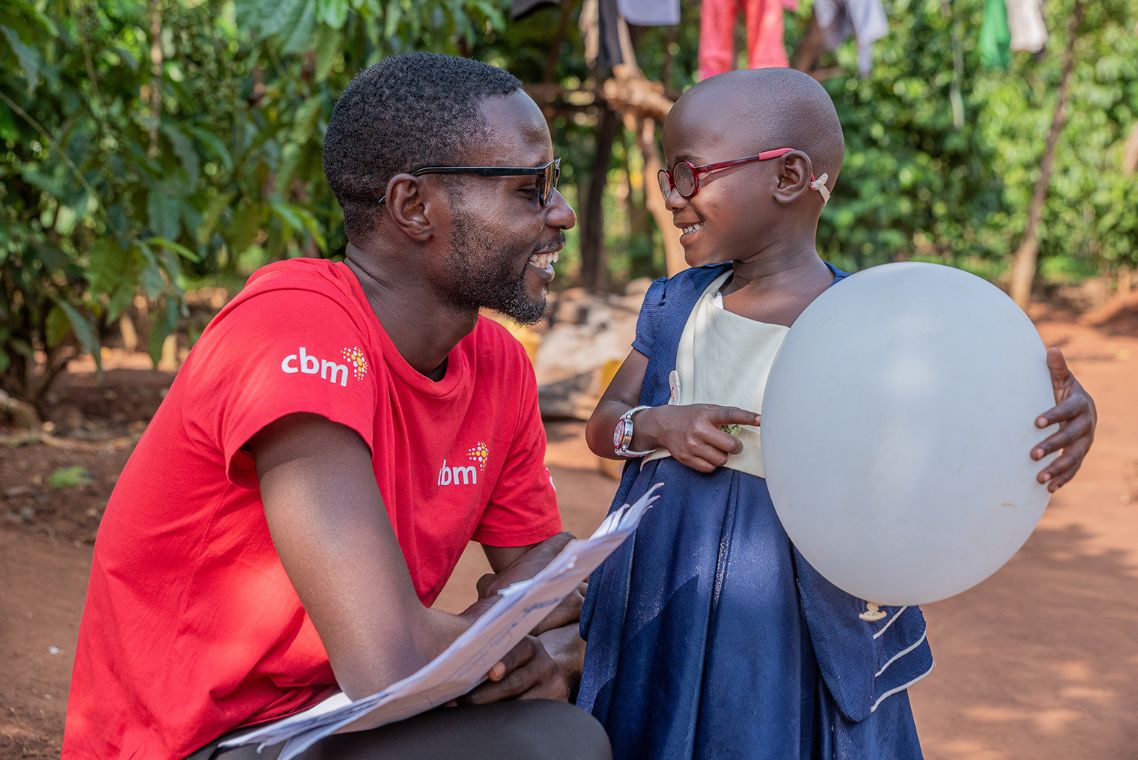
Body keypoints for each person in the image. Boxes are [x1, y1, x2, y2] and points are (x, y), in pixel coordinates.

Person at [62, 53, 612, 760]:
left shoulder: (496, 364)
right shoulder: (293, 327)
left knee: (599, 698)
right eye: (529, 188)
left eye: (554, 183)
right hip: (197, 741)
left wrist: (534, 636)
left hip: (337, 718)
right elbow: (392, 657)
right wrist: (509, 637)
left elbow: (549, 581)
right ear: (414, 206)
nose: (561, 213)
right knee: (553, 744)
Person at [576, 67, 1098, 759]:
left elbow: (966, 423)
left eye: (688, 173)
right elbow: (603, 424)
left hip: (803, 613)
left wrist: (1063, 417)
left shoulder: (875, 328)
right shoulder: (674, 308)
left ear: (788, 177)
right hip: (666, 587)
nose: (671, 197)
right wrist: (653, 426)